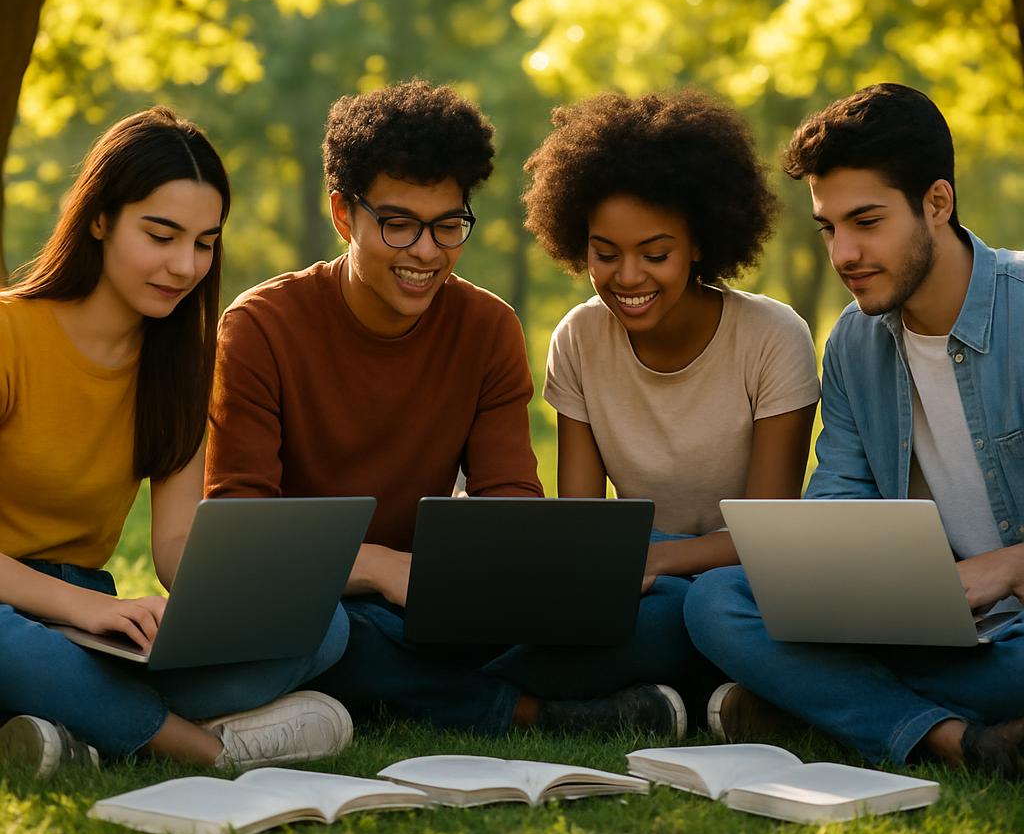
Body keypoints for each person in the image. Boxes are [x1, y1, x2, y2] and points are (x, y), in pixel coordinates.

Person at [206, 80, 692, 737]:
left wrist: (516, 581)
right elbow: (241, 532)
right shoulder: (260, 326)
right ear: (345, 215)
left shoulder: (487, 327)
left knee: (666, 616)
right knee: (325, 637)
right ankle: (527, 713)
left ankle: (412, 691)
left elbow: (511, 497)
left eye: (448, 225)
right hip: (326, 600)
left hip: (441, 606)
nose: (427, 252)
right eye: (399, 225)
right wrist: (377, 567)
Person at [0, 108, 351, 779]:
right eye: (160, 235)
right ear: (99, 218)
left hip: (90, 629)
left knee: (324, 623)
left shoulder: (181, 364)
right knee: (10, 648)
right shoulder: (10, 334)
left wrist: (239, 599)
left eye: (204, 242)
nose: (184, 265)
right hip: (24, 612)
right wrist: (90, 607)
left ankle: (76, 727)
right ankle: (207, 749)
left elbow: (176, 550)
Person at [684, 82, 1024, 775]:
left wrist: (1009, 566)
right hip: (919, 625)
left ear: (937, 202)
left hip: (1013, 630)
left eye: (866, 222)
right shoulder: (853, 343)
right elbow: (838, 498)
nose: (843, 254)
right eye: (829, 227)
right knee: (717, 601)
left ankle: (823, 704)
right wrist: (845, 584)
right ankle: (953, 742)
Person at [521, 90, 820, 715]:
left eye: (655, 254)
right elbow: (584, 528)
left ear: (700, 244)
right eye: (606, 255)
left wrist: (657, 559)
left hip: (738, 581)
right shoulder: (578, 338)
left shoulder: (772, 337)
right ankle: (719, 688)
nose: (628, 278)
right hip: (636, 576)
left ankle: (539, 697)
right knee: (625, 622)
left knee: (703, 613)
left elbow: (767, 532)